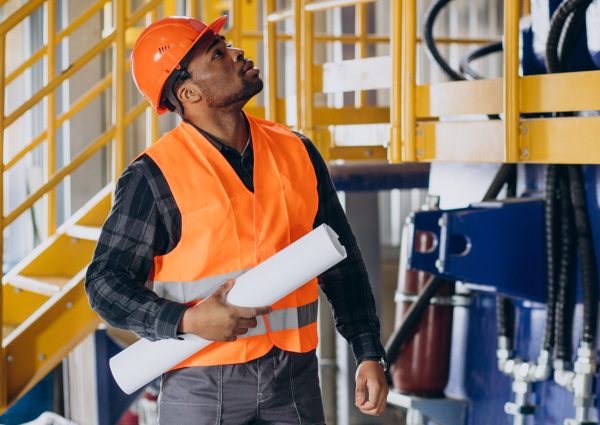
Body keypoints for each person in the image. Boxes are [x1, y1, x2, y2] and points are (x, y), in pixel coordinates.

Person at [85, 15, 388, 425]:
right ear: (189, 91)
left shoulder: (296, 150)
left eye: (225, 45)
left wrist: (368, 351)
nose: (236, 53)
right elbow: (105, 283)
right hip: (201, 381)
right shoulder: (153, 176)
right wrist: (185, 320)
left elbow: (343, 260)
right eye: (218, 54)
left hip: (293, 380)